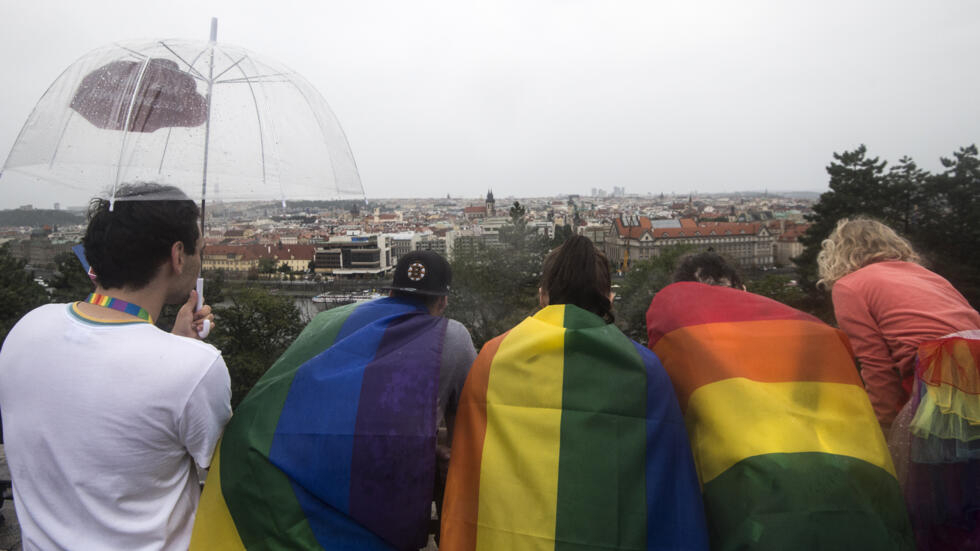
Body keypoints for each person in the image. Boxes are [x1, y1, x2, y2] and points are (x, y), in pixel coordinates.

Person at [191, 250, 476, 551]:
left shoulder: (329, 322)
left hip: (304, 473)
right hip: (383, 491)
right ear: (442, 301)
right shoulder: (452, 338)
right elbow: (466, 426)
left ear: (391, 291)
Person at [0, 183, 230, 550]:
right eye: (199, 250)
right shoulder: (194, 367)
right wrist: (180, 355)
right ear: (178, 256)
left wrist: (174, 345)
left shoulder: (27, 328)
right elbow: (225, 471)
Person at [441, 236, 709, 551]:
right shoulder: (644, 368)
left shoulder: (494, 357)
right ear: (609, 299)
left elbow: (471, 459)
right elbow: (668, 474)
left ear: (543, 296)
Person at [646, 251, 913, 550]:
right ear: (743, 290)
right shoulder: (806, 333)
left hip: (750, 502)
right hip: (838, 488)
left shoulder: (684, 339)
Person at [818, 217, 980, 550]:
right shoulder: (927, 275)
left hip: (944, 373)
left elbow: (877, 368)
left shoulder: (850, 286)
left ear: (837, 255)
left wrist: (882, 432)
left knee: (930, 501)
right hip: (973, 359)